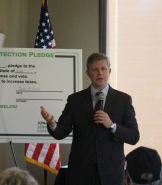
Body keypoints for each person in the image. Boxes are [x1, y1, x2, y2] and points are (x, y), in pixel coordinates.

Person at [40, 52, 140, 185]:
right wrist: (52, 123)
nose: (100, 73)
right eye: (95, 69)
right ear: (88, 73)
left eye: (103, 69)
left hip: (111, 173)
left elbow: (133, 136)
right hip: (80, 172)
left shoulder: (123, 100)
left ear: (109, 71)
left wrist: (112, 125)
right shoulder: (75, 100)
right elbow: (60, 132)